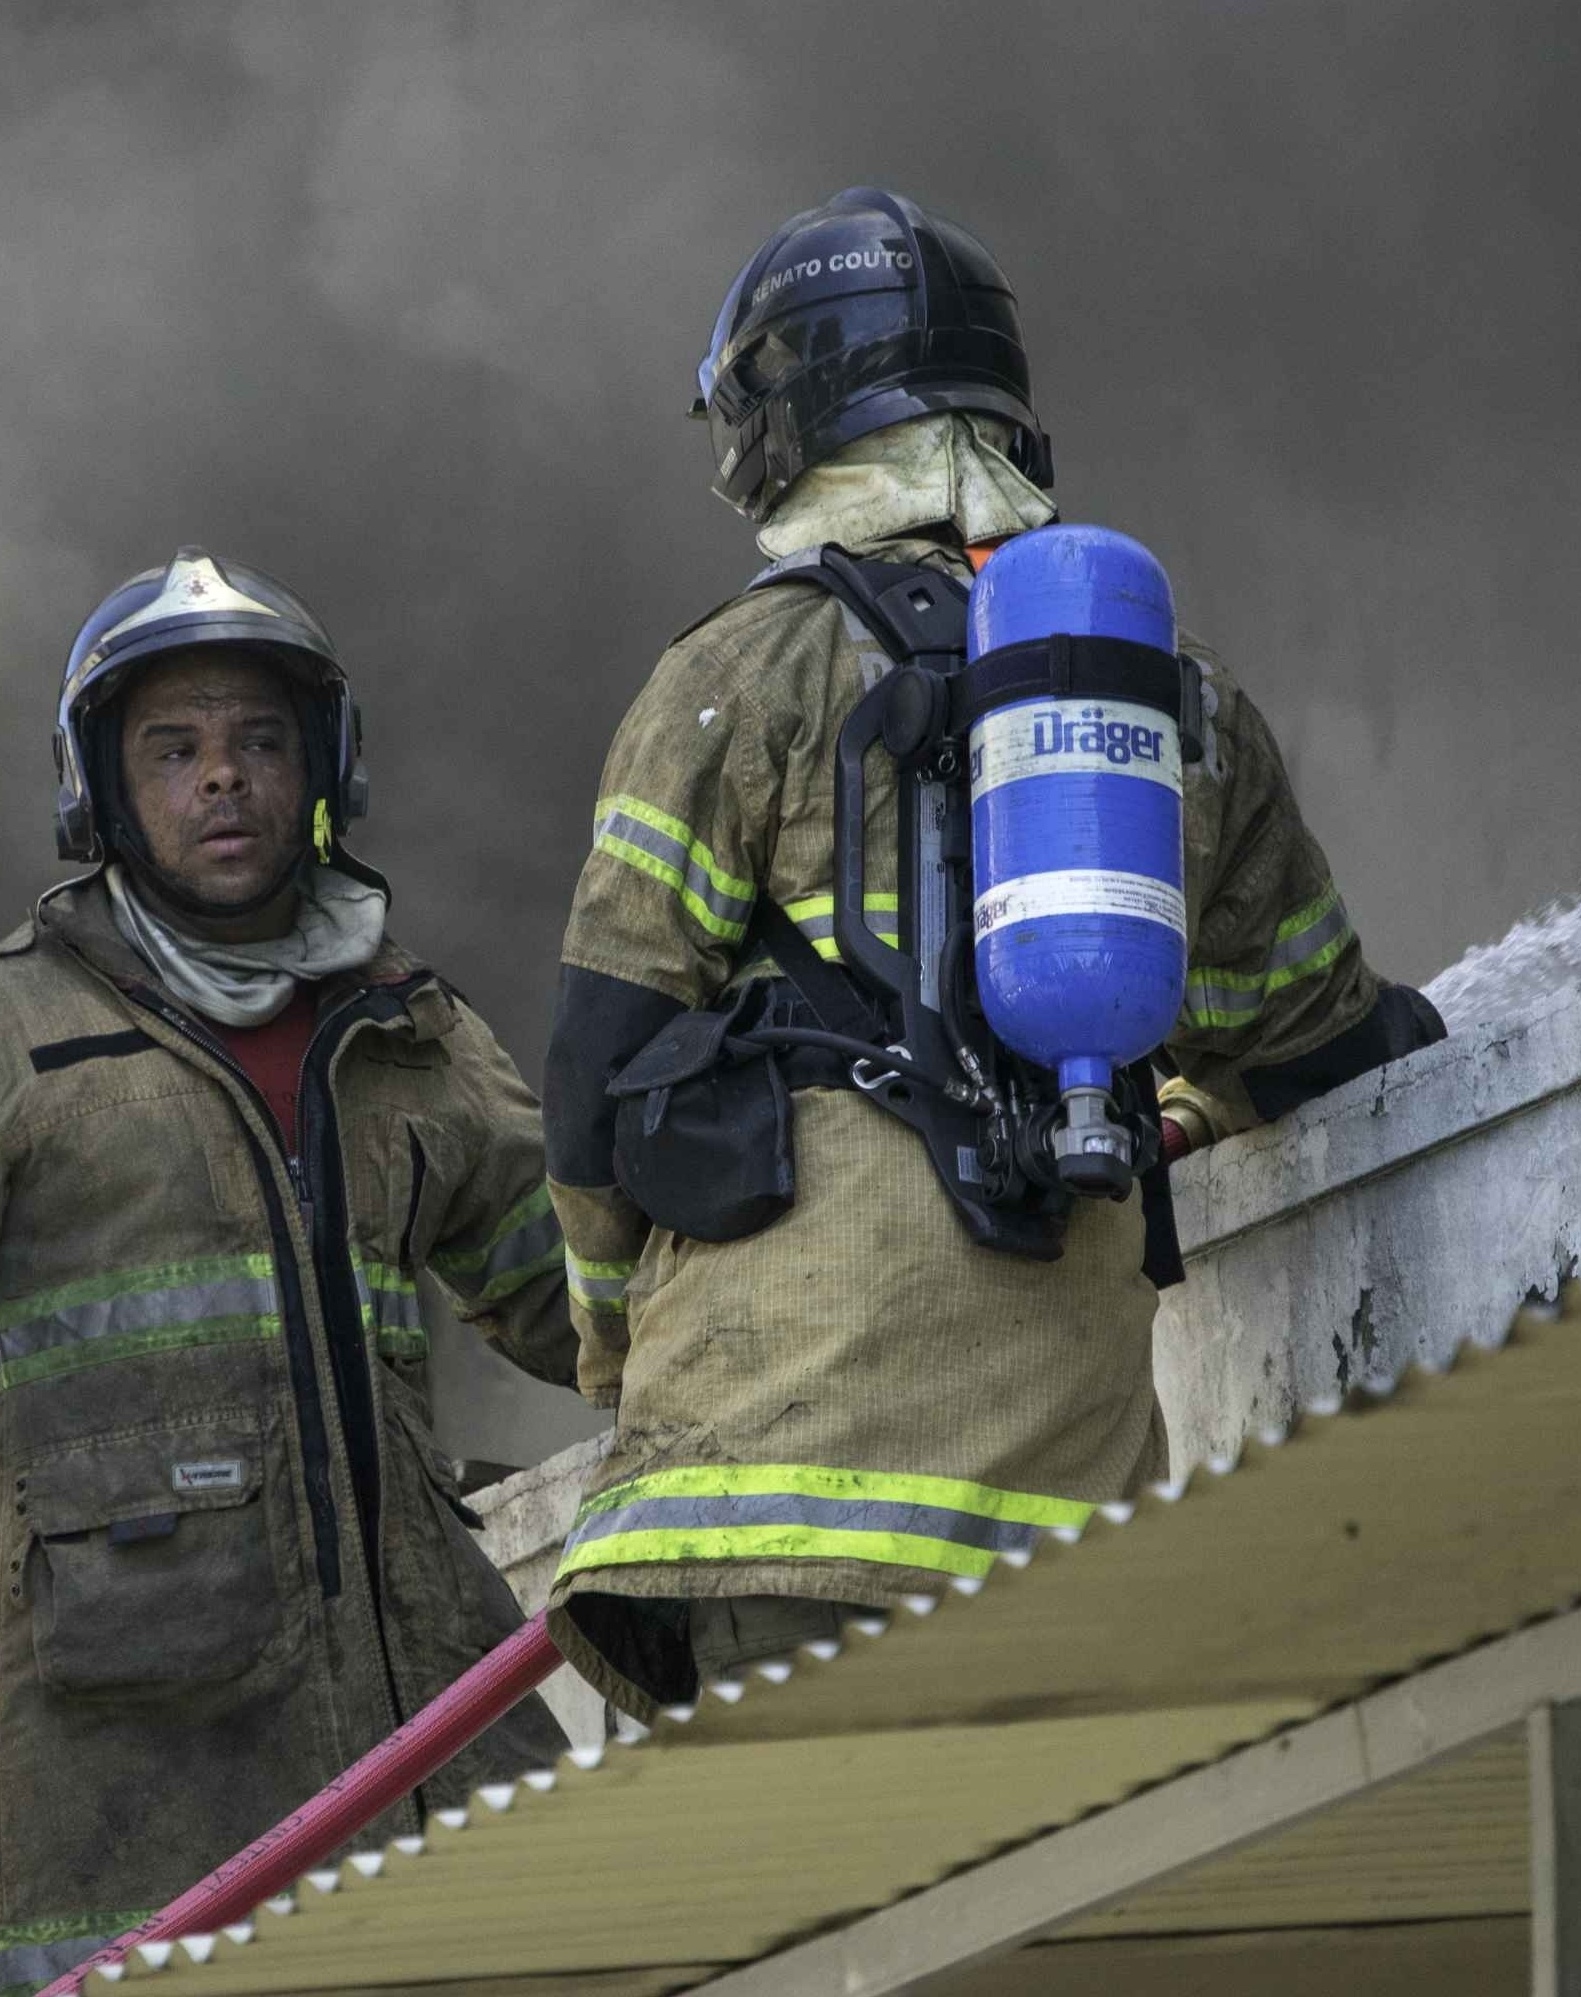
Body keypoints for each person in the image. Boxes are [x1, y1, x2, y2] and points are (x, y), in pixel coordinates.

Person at [540, 188, 1446, 1711]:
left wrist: (611, 1350)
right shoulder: (1168, 700)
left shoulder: (732, 678)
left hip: (760, 1514)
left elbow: (592, 1081)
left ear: (774, 419)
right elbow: (1310, 1042)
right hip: (1051, 1527)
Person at [0, 548, 579, 1994]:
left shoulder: (409, 1027)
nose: (223, 779)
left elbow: (575, 1292)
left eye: (260, 741)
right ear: (101, 788)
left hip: (424, 1722)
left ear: (322, 769)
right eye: (176, 747)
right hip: (126, 1776)